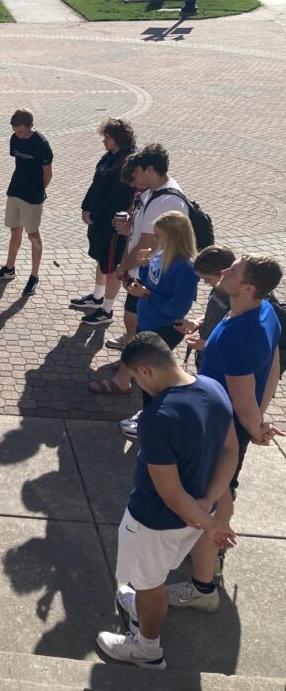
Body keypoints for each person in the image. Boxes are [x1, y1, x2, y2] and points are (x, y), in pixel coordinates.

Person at [96, 333, 237, 670]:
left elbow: (170, 494)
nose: (139, 386)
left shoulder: (156, 418)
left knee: (150, 584)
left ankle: (147, 649)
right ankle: (142, 603)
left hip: (154, 523)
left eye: (135, 378)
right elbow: (230, 450)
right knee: (152, 578)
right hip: (195, 516)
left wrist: (209, 523)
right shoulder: (214, 389)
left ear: (145, 370)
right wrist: (208, 506)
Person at [166, 254, 283, 609]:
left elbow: (242, 399)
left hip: (220, 431)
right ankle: (214, 554)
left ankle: (203, 589)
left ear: (249, 287)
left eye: (234, 271)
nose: (225, 271)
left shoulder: (238, 335)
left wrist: (254, 425)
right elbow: (274, 365)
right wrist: (258, 421)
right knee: (223, 493)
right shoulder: (265, 312)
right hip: (232, 426)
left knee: (208, 503)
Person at [91, 212, 199, 438]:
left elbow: (177, 307)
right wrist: (142, 267)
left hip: (163, 329)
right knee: (146, 379)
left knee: (153, 380)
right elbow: (150, 281)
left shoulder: (185, 268)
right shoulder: (161, 254)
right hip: (147, 322)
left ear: (174, 237)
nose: (155, 240)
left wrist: (147, 294)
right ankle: (148, 416)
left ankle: (151, 422)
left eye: (159, 236)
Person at [106, 145, 190, 351]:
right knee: (133, 318)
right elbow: (139, 234)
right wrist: (128, 230)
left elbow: (147, 244)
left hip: (153, 276)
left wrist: (123, 267)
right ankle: (131, 355)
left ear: (150, 169)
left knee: (142, 324)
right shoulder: (150, 194)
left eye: (137, 170)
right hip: (143, 270)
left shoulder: (165, 201)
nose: (133, 175)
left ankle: (134, 359)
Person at [71, 118, 137, 326]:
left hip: (112, 224)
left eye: (107, 137)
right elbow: (95, 184)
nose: (104, 140)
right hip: (99, 220)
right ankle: (97, 297)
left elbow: (117, 199)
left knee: (112, 266)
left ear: (119, 138)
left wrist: (94, 215)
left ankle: (106, 310)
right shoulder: (109, 157)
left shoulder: (126, 162)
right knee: (102, 259)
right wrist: (85, 207)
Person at [0, 108, 53, 296]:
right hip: (15, 191)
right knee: (15, 231)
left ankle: (34, 276)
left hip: (32, 197)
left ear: (31, 126)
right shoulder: (14, 138)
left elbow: (48, 174)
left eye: (21, 132)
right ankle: (9, 269)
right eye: (15, 131)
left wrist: (37, 191)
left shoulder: (41, 144)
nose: (18, 135)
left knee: (33, 235)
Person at [175, 244, 235, 369]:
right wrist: (197, 323)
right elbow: (218, 313)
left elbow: (238, 341)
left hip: (221, 365)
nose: (206, 283)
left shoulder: (238, 299)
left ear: (224, 273)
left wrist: (206, 344)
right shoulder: (219, 286)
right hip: (205, 357)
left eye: (208, 279)